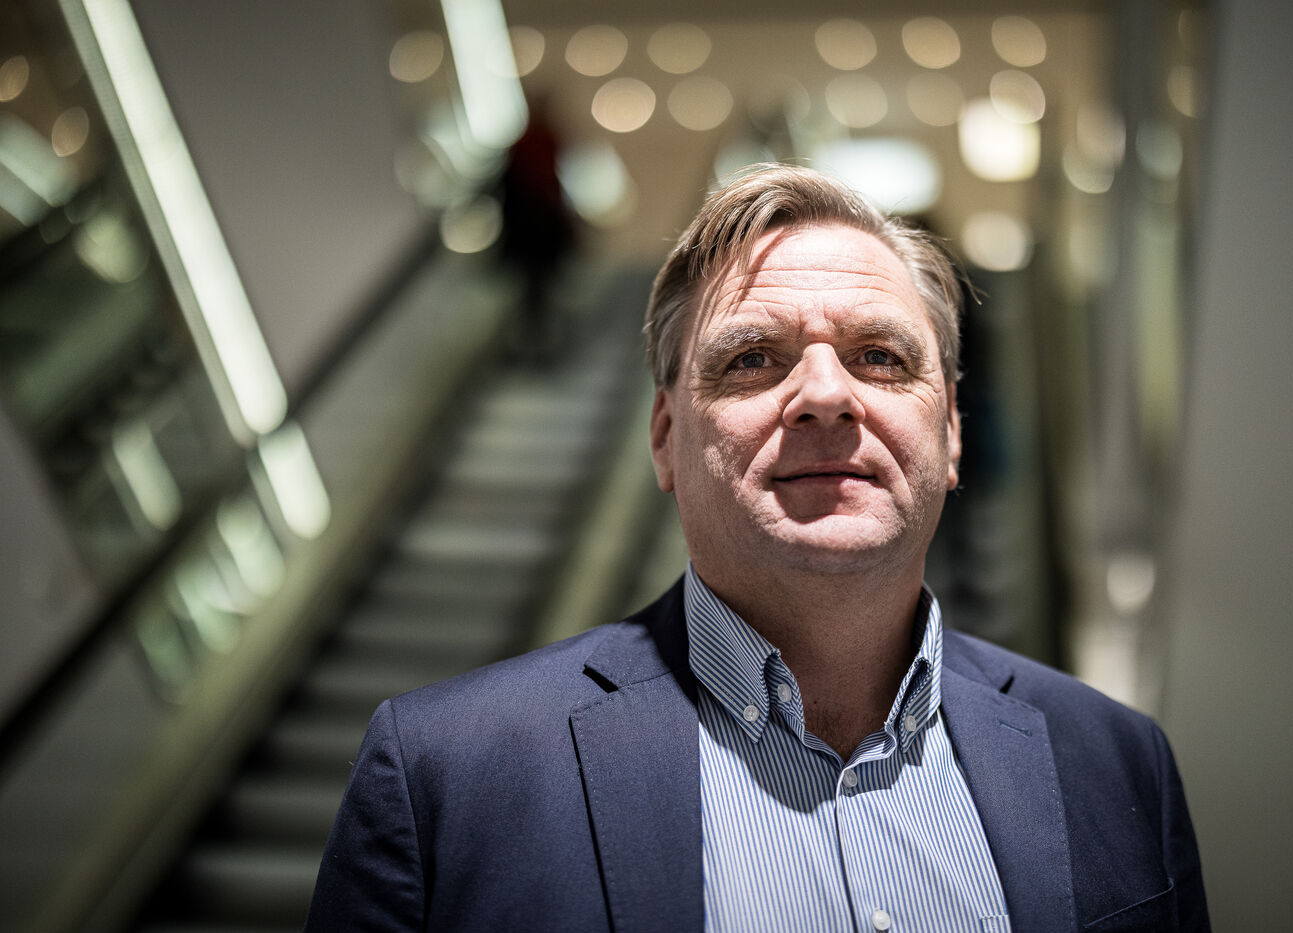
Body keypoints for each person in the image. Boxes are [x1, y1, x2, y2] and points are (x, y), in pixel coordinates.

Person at [306, 165, 1208, 932]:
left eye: (881, 357)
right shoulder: (446, 780)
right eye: (751, 359)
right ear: (665, 438)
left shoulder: (1117, 762)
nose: (826, 394)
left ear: (951, 435)